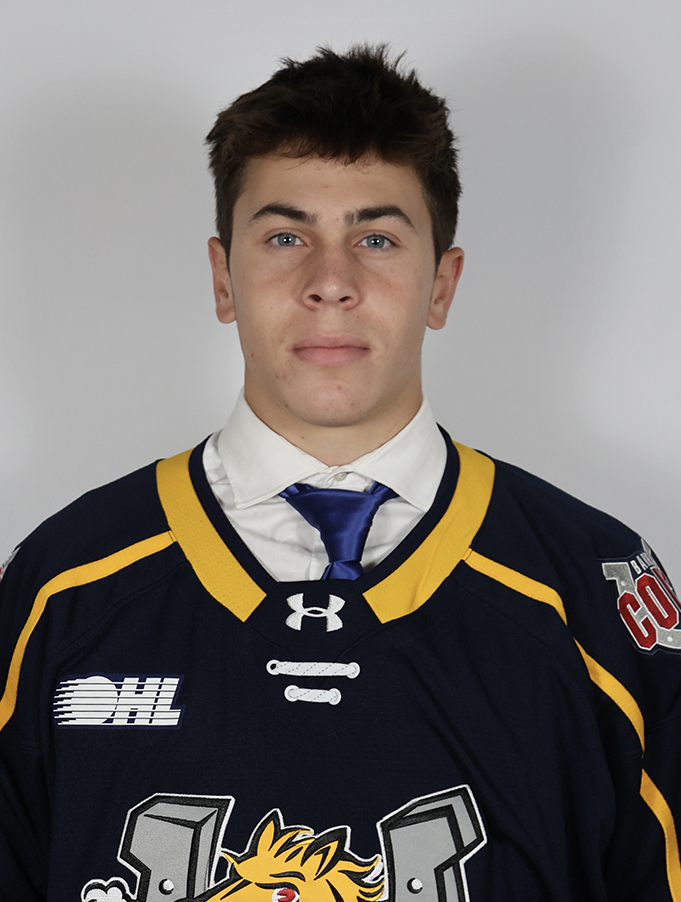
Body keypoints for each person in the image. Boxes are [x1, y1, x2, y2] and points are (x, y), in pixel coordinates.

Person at [0, 45, 679, 902]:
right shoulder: (64, 586)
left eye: (376, 239)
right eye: (285, 237)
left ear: (441, 285)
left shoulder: (590, 586)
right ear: (223, 277)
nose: (330, 283)